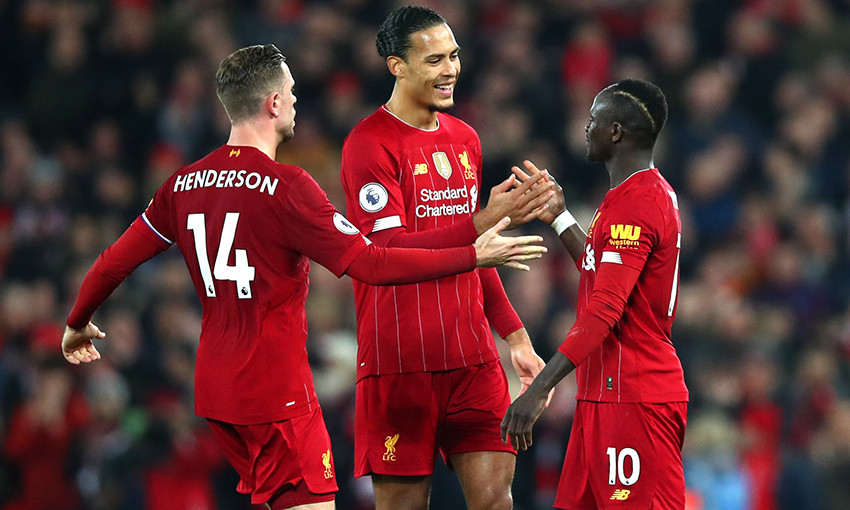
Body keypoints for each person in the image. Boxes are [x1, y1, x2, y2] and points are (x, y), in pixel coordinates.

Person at [61, 44, 548, 510]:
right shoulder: (287, 187)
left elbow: (112, 262)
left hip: (215, 391)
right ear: (273, 102)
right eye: (291, 91)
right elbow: (373, 263)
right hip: (276, 392)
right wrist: (471, 254)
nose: (296, 100)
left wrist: (77, 321)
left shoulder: (181, 184)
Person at [339, 7, 554, 510]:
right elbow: (385, 253)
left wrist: (517, 339)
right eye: (434, 59)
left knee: (496, 502)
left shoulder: (465, 139)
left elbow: (480, 259)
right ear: (398, 66)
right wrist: (481, 222)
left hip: (474, 363)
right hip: (399, 366)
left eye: (454, 56)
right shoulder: (368, 145)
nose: (451, 69)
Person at [501, 79, 689, 509]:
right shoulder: (629, 196)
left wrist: (539, 389)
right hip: (602, 394)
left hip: (635, 397)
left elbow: (605, 308)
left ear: (616, 131)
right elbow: (599, 270)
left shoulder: (637, 202)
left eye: (594, 119)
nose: (586, 128)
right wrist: (559, 217)